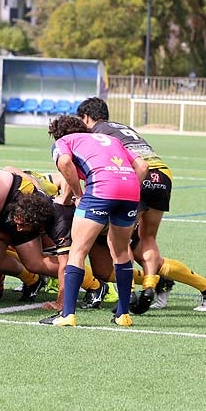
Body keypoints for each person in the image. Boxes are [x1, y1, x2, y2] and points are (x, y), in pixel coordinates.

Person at [75, 97, 206, 313]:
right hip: (162, 172)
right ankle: (153, 285)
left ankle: (133, 293)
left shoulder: (96, 134)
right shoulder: (121, 127)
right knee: (146, 239)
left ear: (86, 117)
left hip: (139, 174)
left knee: (119, 236)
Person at [41, 115, 148, 328]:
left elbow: (64, 162)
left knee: (78, 250)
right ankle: (123, 315)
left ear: (57, 134)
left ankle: (68, 314)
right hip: (130, 191)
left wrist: (79, 194)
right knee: (120, 251)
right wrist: (129, 191)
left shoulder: (64, 142)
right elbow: (143, 166)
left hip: (100, 189)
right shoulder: (111, 140)